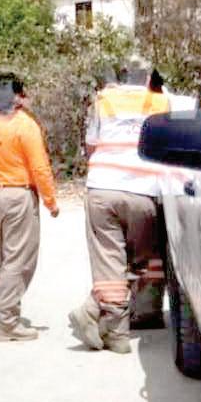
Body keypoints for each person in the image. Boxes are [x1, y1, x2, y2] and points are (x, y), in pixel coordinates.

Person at [68, 67, 170, 354]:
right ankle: (135, 316)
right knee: (144, 258)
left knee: (109, 259)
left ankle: (111, 328)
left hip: (103, 187)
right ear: (148, 78)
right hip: (145, 191)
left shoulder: (104, 99)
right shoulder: (161, 101)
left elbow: (91, 147)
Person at [0, 71, 59, 342]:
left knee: (5, 257)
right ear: (18, 96)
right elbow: (40, 168)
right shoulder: (25, 125)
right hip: (18, 197)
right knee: (18, 262)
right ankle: (7, 322)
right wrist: (50, 201)